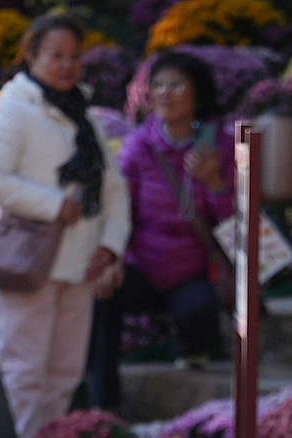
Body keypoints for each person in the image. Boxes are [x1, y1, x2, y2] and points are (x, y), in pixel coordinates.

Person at [0, 13, 129, 438]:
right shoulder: (12, 109)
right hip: (30, 259)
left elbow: (114, 190)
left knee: (64, 373)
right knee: (23, 372)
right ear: (32, 57)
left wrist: (111, 246)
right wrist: (53, 205)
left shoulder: (85, 116)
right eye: (55, 55)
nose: (66, 64)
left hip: (81, 262)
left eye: (74, 56)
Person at [89, 49, 234, 410]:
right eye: (158, 85)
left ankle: (193, 345)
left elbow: (235, 223)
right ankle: (103, 403)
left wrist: (214, 182)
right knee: (102, 293)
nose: (165, 93)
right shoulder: (139, 146)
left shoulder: (223, 148)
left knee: (197, 309)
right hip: (144, 267)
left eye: (176, 85)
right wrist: (114, 258)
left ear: (198, 94)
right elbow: (120, 209)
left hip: (194, 273)